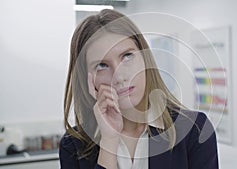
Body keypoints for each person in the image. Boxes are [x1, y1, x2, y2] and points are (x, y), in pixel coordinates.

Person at [59, 9, 218, 169]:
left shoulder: (195, 130)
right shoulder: (72, 145)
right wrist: (109, 142)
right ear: (86, 78)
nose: (119, 76)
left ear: (145, 58)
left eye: (127, 56)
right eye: (102, 65)